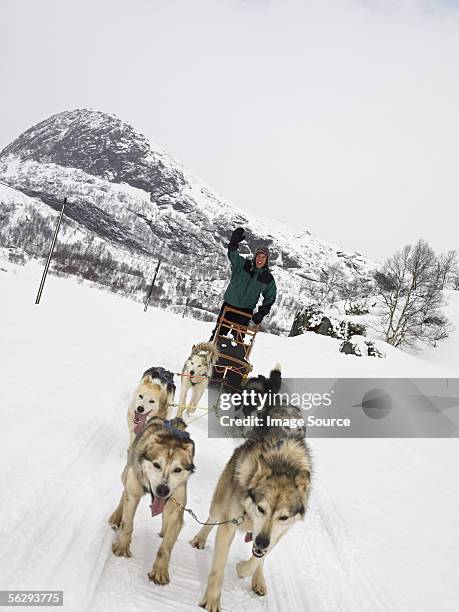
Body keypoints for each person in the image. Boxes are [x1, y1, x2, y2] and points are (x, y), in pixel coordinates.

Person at [210, 227, 277, 341]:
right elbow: (233, 255)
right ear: (255, 256)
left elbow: (270, 296)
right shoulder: (242, 264)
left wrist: (261, 312)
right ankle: (209, 355)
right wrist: (233, 244)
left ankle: (231, 358)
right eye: (258, 256)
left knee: (237, 340)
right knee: (219, 334)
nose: (259, 260)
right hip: (229, 306)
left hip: (245, 311)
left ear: (266, 260)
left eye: (263, 257)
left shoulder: (267, 278)